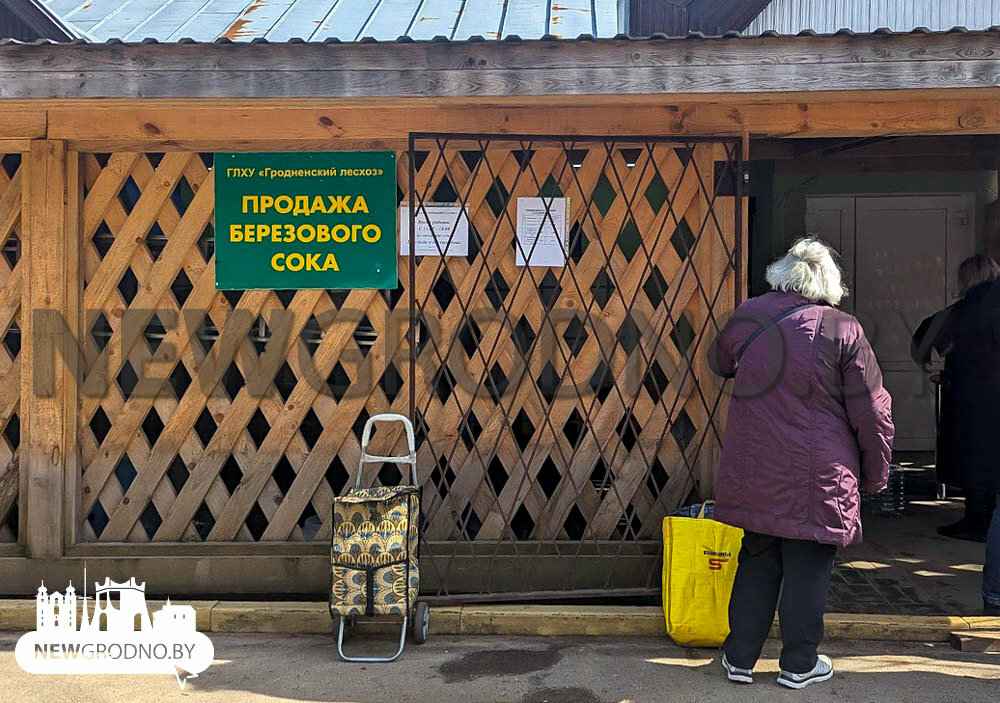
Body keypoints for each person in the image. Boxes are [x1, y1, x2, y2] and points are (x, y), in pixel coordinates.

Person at [708, 238, 894, 689]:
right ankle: (798, 664)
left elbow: (719, 362)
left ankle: (738, 658)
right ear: (829, 284)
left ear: (782, 274)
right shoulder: (843, 329)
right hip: (819, 475)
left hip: (756, 471)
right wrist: (876, 473)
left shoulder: (750, 314)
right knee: (808, 567)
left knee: (757, 559)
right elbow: (872, 411)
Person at [911, 254, 1000, 614]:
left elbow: (922, 341)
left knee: (976, 458)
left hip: (969, 398)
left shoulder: (960, 311)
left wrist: (938, 364)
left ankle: (975, 519)